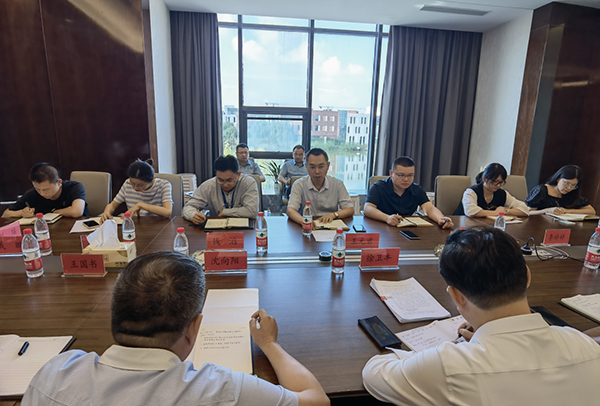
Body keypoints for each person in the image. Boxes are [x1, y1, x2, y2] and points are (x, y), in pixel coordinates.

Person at [22, 251, 330, 406]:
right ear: (194, 327)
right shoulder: (219, 389)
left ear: (115, 312)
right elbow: (316, 400)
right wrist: (270, 343)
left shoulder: (55, 374)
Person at [362, 227, 600, 405]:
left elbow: (374, 372)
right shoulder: (584, 344)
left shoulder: (449, 366)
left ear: (456, 296)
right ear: (527, 276)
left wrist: (451, 349)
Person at [364, 157, 453, 229]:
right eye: (401, 175)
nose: (406, 179)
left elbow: (429, 208)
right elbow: (368, 208)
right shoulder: (378, 187)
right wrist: (386, 218)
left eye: (410, 175)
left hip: (407, 229)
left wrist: (440, 219)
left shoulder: (417, 189)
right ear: (391, 173)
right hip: (381, 227)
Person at [183, 155, 259, 224]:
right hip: (217, 227)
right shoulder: (208, 186)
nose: (225, 184)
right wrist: (193, 215)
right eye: (220, 180)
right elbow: (188, 207)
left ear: (238, 175)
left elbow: (252, 211)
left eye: (229, 180)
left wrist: (225, 212)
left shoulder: (248, 183)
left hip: (244, 228)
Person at [286, 148, 354, 225]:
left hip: (331, 225)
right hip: (307, 225)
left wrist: (333, 215)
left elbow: (350, 209)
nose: (317, 171)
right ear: (306, 166)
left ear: (328, 166)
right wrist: (304, 221)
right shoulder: (299, 184)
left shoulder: (337, 184)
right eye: (312, 167)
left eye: (321, 167)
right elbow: (290, 210)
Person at [2, 163, 89, 218]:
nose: (42, 193)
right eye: (38, 189)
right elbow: (5, 214)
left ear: (59, 182)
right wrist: (21, 213)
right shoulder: (33, 194)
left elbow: (76, 212)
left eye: (46, 189)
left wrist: (54, 212)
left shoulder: (74, 187)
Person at [100, 159, 172, 223]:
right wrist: (106, 212)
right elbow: (112, 205)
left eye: (141, 185)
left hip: (157, 224)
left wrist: (140, 205)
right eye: (132, 183)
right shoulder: (127, 183)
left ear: (152, 179)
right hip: (134, 224)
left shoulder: (163, 185)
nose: (135, 188)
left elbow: (167, 212)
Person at [454, 163, 529, 217]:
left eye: (501, 182)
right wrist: (497, 212)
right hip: (464, 226)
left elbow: (525, 209)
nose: (498, 185)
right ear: (484, 178)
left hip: (488, 227)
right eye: (494, 181)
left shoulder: (502, 193)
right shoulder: (472, 192)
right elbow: (470, 212)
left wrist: (506, 211)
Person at [526, 164, 596, 215]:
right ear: (558, 179)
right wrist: (546, 211)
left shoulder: (571, 193)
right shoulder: (541, 190)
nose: (569, 188)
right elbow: (528, 212)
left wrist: (566, 211)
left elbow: (592, 211)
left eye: (573, 185)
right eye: (567, 183)